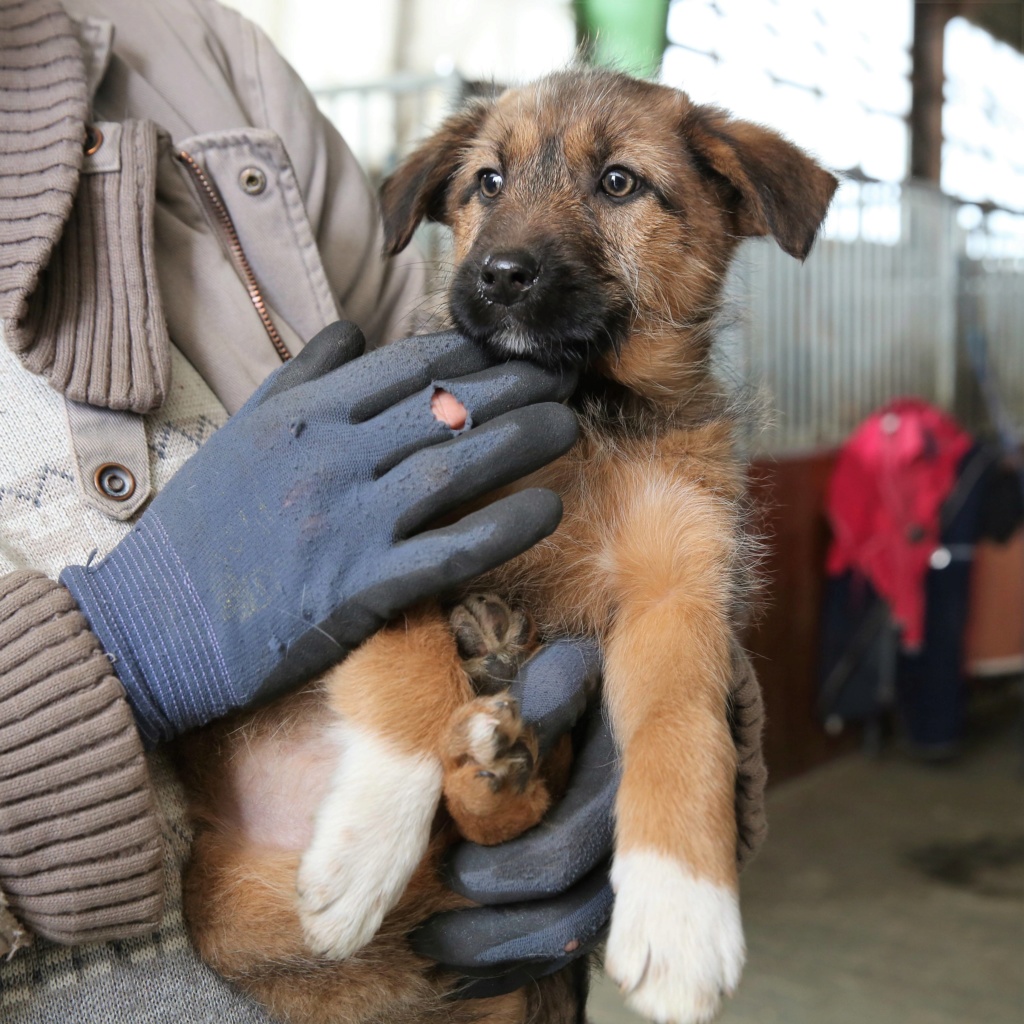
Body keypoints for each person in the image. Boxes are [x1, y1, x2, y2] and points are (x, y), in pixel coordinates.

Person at [0, 1, 766, 1020]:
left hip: (426, 943)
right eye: (485, 187)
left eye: (615, 185)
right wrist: (125, 648)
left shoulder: (192, 48)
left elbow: (400, 481)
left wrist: (680, 752)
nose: (508, 243)